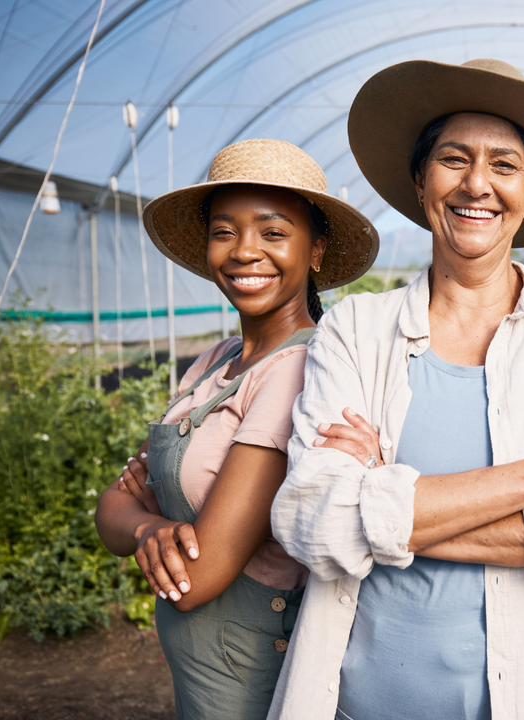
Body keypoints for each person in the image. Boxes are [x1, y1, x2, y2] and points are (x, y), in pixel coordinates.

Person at [266, 59, 524, 720]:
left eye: (504, 165)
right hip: (368, 701)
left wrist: (384, 498)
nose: (477, 183)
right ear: (421, 182)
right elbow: (312, 523)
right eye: (453, 159)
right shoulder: (355, 330)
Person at [94, 138, 379, 720]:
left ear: (316, 250)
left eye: (273, 233)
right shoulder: (217, 360)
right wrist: (149, 527)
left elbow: (197, 579)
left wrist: (141, 521)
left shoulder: (299, 367)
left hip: (247, 667)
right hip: (200, 666)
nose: (245, 251)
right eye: (225, 232)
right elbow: (110, 516)